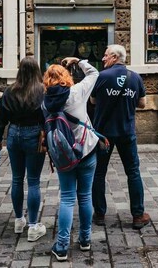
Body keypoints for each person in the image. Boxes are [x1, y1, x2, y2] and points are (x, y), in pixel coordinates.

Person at [43, 57, 100, 262]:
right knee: (85, 196)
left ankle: (62, 246)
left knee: (67, 198)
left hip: (64, 154)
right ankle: (85, 240)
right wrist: (79, 61)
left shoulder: (45, 102)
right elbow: (94, 73)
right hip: (86, 149)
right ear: (67, 78)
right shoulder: (76, 93)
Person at [89, 44, 150, 230]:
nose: (103, 59)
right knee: (133, 172)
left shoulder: (101, 77)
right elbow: (143, 103)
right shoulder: (135, 77)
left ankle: (99, 213)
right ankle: (138, 215)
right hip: (126, 132)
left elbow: (92, 100)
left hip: (103, 134)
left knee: (99, 172)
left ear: (115, 57)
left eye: (106, 55)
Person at [0, 57, 47, 241]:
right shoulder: (42, 90)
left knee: (16, 178)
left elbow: (0, 118)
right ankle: (33, 226)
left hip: (14, 132)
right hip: (34, 135)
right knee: (33, 181)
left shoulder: (10, 91)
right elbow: (47, 116)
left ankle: (18, 220)